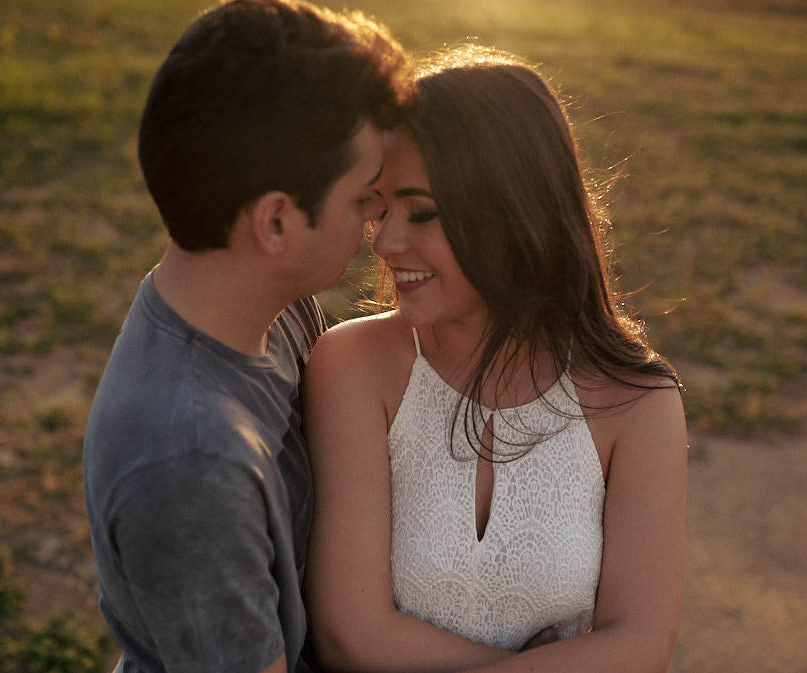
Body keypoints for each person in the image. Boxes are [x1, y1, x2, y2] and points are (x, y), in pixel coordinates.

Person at [303, 46, 687, 673]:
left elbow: (640, 644)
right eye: (381, 206)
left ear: (514, 210)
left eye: (422, 212)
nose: (386, 240)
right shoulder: (351, 366)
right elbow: (351, 637)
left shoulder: (638, 403)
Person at [81, 1, 411, 671]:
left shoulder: (270, 309)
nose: (378, 216)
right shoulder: (189, 462)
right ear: (277, 224)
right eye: (361, 198)